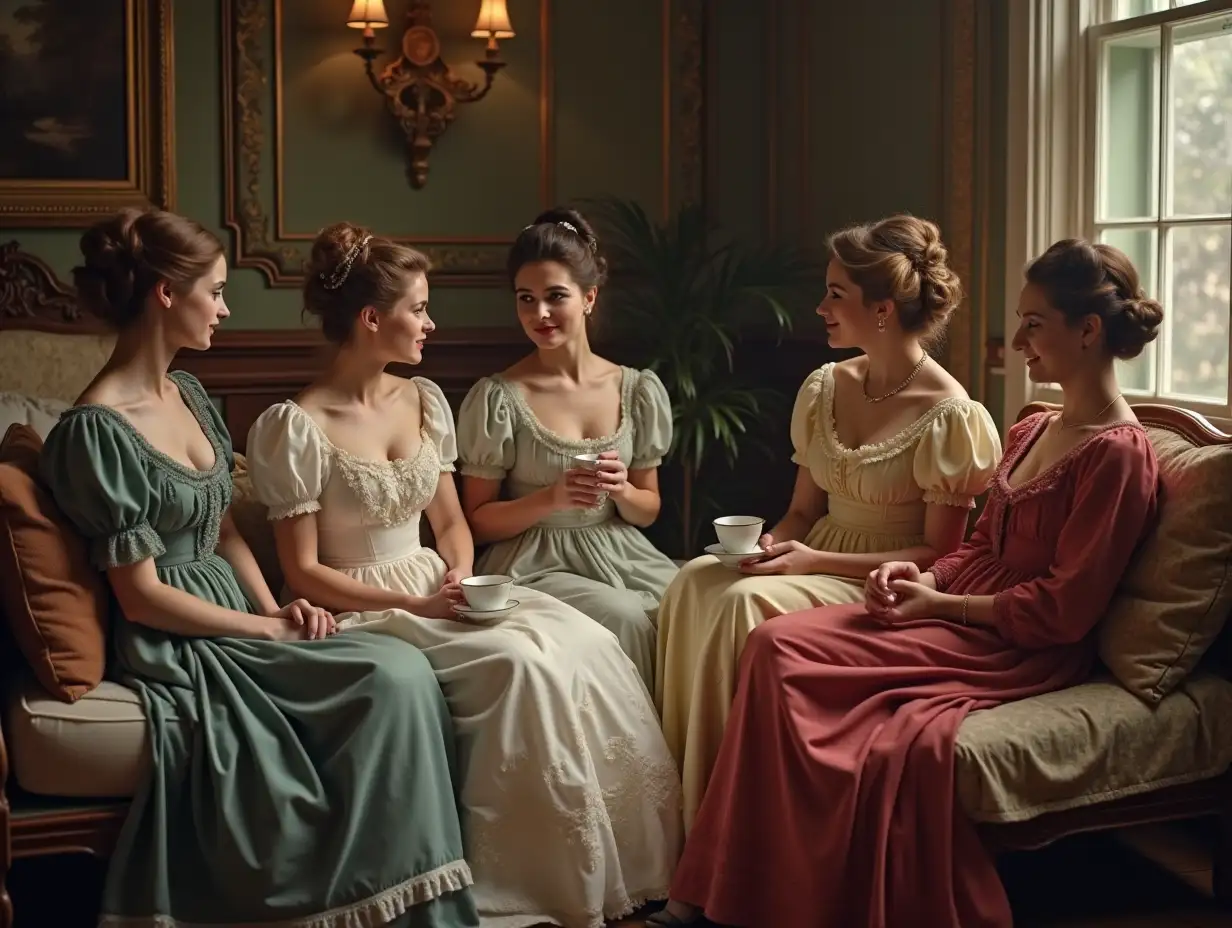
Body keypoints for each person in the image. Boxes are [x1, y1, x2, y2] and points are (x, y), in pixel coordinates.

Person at [649, 237, 1165, 928]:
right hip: (955, 606)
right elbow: (975, 545)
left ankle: (759, 901)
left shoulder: (1118, 455)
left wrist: (942, 601)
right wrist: (913, 570)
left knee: (792, 662)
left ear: (1090, 330)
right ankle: (733, 890)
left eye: (1033, 324)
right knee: (774, 644)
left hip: (1013, 645)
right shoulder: (1035, 427)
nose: (1016, 341)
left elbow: (1064, 612)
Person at [39, 208, 478, 928]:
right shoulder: (98, 431)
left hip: (238, 607)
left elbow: (225, 532)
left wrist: (276, 607)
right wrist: (264, 632)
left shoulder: (191, 397)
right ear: (165, 295)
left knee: (395, 669)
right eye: (214, 290)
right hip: (177, 634)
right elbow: (143, 597)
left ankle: (407, 905)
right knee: (392, 676)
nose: (225, 307)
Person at [246, 222, 682, 928]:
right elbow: (303, 569)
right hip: (368, 599)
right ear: (371, 318)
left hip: (438, 586)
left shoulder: (422, 400)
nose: (430, 323)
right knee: (520, 665)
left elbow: (452, 523)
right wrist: (418, 602)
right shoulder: (294, 426)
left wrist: (457, 578)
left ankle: (631, 865)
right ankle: (525, 879)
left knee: (585, 642)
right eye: (418, 309)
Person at [654, 214, 1003, 828]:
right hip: (809, 555)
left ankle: (729, 824)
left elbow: (938, 558)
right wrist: (771, 545)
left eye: (836, 294)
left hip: (878, 580)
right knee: (693, 581)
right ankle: (677, 811)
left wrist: (811, 560)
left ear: (884, 309)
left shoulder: (953, 414)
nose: (819, 307)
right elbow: (800, 513)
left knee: (740, 606)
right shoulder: (825, 386)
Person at [457, 207, 678, 691]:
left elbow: (648, 509)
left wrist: (621, 491)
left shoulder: (637, 389)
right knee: (625, 616)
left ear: (589, 297)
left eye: (555, 297)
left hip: (621, 551)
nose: (539, 314)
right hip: (534, 561)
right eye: (526, 299)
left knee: (692, 605)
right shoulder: (498, 398)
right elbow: (477, 520)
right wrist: (549, 499)